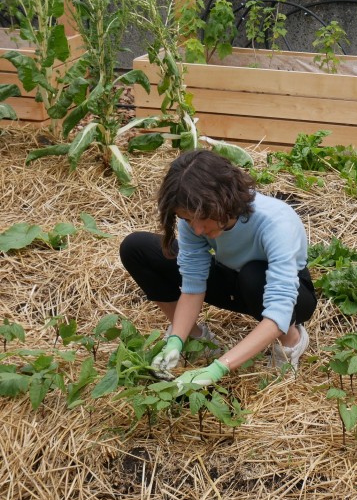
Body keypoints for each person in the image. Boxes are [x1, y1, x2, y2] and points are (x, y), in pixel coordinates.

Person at [120, 149, 317, 392]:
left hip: (289, 296)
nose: (197, 229)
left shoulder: (276, 222)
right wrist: (175, 341)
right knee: (137, 248)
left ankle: (291, 342)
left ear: (224, 199)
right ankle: (195, 338)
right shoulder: (195, 221)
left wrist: (217, 368)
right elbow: (192, 284)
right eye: (187, 219)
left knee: (253, 276)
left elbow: (280, 307)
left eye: (201, 218)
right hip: (233, 278)